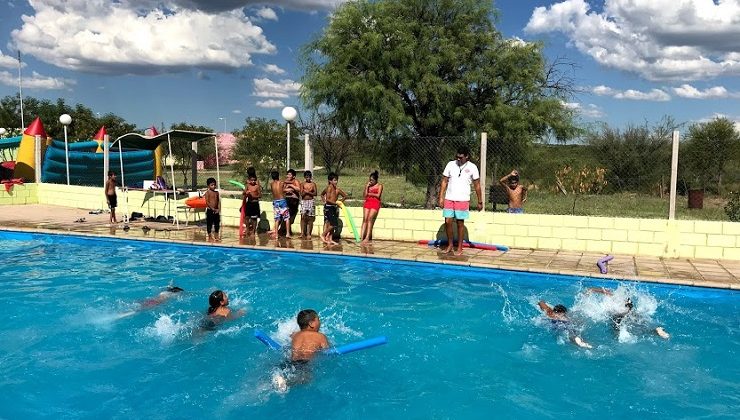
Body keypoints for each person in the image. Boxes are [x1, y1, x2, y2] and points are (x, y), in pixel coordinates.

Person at [438, 146, 482, 255]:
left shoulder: (472, 167)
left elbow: (477, 185)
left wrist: (480, 201)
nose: (458, 159)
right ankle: (450, 244)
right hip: (449, 198)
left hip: (462, 199)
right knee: (447, 221)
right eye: (457, 157)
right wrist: (441, 197)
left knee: (459, 223)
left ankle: (460, 247)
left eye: (461, 157)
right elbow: (444, 181)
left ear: (467, 156)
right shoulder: (450, 164)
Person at [272, 309, 330, 392]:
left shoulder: (295, 335)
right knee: (307, 379)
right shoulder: (320, 336)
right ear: (311, 324)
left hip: (290, 361)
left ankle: (279, 378)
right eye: (318, 320)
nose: (320, 322)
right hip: (304, 363)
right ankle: (287, 382)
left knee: (286, 371)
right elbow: (326, 351)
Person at [586, 287, 670, 339]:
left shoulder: (613, 298)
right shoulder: (623, 300)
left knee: (616, 329)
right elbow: (629, 307)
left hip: (620, 315)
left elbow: (603, 291)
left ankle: (619, 336)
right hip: (631, 313)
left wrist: (591, 290)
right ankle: (655, 330)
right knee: (639, 324)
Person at [320, 172, 348, 245]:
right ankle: (323, 235)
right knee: (332, 224)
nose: (336, 182)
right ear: (330, 181)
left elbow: (345, 196)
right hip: (329, 207)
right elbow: (327, 199)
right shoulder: (328, 188)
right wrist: (335, 203)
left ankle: (330, 239)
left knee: (333, 224)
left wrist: (340, 203)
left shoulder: (337, 190)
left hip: (334, 208)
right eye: (334, 180)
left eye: (336, 180)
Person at [361, 170, 383, 244]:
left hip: (375, 202)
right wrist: (366, 187)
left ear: (376, 180)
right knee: (365, 218)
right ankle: (361, 237)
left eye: (372, 180)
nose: (371, 181)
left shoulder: (380, 186)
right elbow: (364, 195)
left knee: (370, 218)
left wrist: (369, 193)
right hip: (368, 202)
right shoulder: (368, 186)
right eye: (370, 180)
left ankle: (367, 237)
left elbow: (378, 195)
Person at [242, 167, 262, 236]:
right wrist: (246, 193)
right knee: (247, 217)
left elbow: (260, 194)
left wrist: (254, 196)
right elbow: (244, 192)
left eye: (254, 180)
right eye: (251, 180)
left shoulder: (257, 184)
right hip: (249, 202)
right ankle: (248, 228)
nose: (253, 181)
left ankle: (253, 231)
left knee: (254, 218)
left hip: (255, 203)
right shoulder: (247, 184)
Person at [270, 171, 290, 238]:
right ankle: (287, 234)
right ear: (278, 176)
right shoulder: (281, 183)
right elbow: (284, 189)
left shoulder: (271, 184)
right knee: (286, 218)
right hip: (282, 201)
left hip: (275, 202)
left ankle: (276, 235)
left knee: (277, 218)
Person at [300, 170, 317, 238]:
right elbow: (301, 194)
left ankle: (309, 233)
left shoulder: (313, 184)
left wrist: (309, 192)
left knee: (310, 218)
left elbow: (315, 193)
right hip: (304, 201)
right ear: (305, 177)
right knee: (303, 217)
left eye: (309, 177)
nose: (308, 178)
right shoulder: (302, 184)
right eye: (307, 177)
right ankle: (302, 233)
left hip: (311, 201)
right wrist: (306, 192)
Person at [283, 169, 301, 236]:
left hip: (294, 200)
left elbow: (299, 189)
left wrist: (291, 186)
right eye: (287, 174)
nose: (288, 176)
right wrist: (287, 190)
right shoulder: (285, 182)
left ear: (293, 176)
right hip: (287, 199)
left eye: (289, 175)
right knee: (286, 216)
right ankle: (287, 231)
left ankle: (287, 230)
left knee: (291, 217)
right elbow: (282, 189)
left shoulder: (295, 181)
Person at [204, 177, 221, 242]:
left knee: (217, 223)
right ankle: (210, 235)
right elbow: (207, 202)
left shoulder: (217, 193)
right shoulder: (207, 193)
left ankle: (216, 234)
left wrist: (218, 209)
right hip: (210, 210)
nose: (213, 186)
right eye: (212, 185)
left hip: (216, 210)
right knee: (209, 223)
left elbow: (218, 201)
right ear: (208, 186)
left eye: (214, 185)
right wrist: (212, 208)